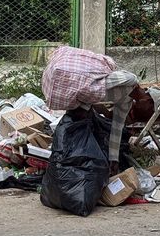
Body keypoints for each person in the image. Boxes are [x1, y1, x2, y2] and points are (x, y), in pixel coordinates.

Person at [42, 46, 140, 175]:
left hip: (81, 96)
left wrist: (114, 159)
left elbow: (116, 128)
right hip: (80, 85)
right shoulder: (128, 81)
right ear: (147, 98)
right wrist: (89, 94)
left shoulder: (125, 102)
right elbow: (104, 83)